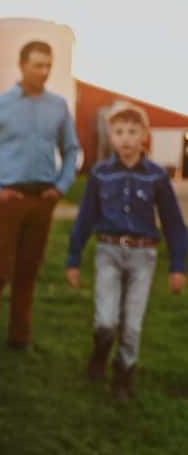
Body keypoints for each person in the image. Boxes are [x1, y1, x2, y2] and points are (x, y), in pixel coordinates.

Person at [0, 40, 81, 359]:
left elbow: (71, 150)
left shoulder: (58, 106)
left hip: (42, 199)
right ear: (22, 65)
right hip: (7, 199)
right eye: (37, 65)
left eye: (48, 66)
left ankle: (19, 338)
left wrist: (61, 187)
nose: (44, 72)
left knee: (28, 272)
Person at [65, 101, 186, 399]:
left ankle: (123, 375)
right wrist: (74, 258)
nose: (126, 139)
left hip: (143, 256)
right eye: (119, 132)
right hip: (108, 252)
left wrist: (178, 266)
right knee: (106, 320)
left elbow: (173, 222)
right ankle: (100, 350)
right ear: (111, 135)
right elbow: (85, 218)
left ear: (144, 135)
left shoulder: (156, 176)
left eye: (133, 132)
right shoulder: (100, 174)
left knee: (132, 324)